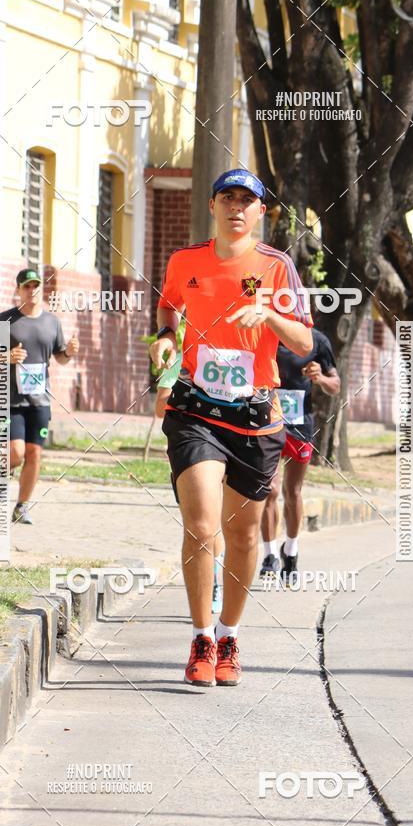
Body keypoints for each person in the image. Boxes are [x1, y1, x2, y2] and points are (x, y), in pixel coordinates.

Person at [149, 168, 313, 687]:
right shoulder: (185, 261)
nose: (237, 207)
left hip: (255, 417)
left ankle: (229, 636)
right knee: (201, 526)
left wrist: (267, 316)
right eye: (228, 197)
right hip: (196, 409)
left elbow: (305, 343)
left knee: (242, 538)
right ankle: (200, 636)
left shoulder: (276, 266)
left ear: (261, 212)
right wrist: (165, 339)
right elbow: (168, 308)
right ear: (213, 206)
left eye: (248, 200)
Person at [0, 268, 79, 524]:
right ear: (18, 290)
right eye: (26, 286)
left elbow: (61, 358)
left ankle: (21, 507)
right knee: (16, 452)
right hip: (11, 399)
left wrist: (71, 352)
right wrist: (7, 357)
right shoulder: (5, 319)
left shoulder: (52, 322)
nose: (31, 291)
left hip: (40, 400)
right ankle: (1, 472)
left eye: (35, 286)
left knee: (35, 453)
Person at [260, 329, 340, 580]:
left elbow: (335, 385)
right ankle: (270, 554)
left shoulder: (317, 340)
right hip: (266, 419)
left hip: (299, 423)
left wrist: (320, 378)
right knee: (269, 489)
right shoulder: (263, 332)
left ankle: (291, 551)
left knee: (292, 492)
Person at [156, 349, 224, 615]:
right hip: (194, 445)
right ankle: (213, 581)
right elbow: (160, 405)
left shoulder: (241, 356)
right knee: (204, 523)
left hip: (233, 443)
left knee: (217, 522)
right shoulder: (183, 361)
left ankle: (216, 572)